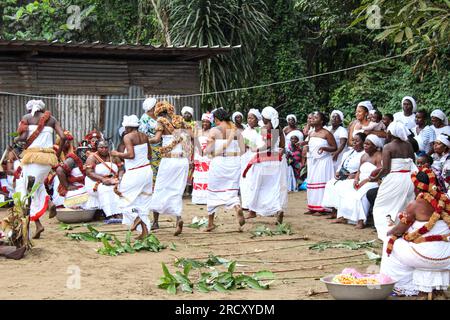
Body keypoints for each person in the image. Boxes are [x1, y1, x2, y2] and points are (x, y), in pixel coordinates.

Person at [380, 167, 450, 297]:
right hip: (447, 257)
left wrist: (389, 229)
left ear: (416, 186)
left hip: (425, 257)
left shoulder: (415, 204)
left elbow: (400, 230)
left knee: (389, 242)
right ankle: (432, 287)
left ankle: (403, 285)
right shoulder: (446, 200)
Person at [15, 99, 65, 239]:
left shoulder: (26, 118)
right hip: (48, 159)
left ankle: (43, 213)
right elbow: (63, 137)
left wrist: (15, 140)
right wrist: (57, 153)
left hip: (32, 158)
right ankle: (40, 221)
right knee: (36, 187)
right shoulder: (53, 119)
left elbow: (23, 137)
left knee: (26, 190)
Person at [149, 102, 191, 236]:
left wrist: (144, 139)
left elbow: (156, 139)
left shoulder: (161, 122)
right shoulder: (180, 120)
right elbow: (192, 136)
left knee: (160, 188)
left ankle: (155, 222)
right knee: (176, 190)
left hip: (169, 160)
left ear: (158, 112)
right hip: (182, 160)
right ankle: (178, 218)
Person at [371, 121, 417, 241]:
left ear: (391, 132)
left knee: (381, 206)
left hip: (394, 179)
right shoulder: (408, 145)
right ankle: (402, 230)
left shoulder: (388, 147)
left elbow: (386, 169)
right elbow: (413, 162)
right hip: (408, 179)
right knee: (404, 206)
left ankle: (388, 230)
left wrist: (375, 178)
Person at [111, 115, 153, 239]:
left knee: (122, 199)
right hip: (147, 171)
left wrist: (116, 153)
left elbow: (130, 155)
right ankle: (144, 231)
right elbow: (149, 155)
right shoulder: (144, 136)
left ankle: (136, 218)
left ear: (128, 127)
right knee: (143, 201)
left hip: (135, 173)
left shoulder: (128, 137)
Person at [205, 108, 245, 232]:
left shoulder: (214, 130)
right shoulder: (236, 130)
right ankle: (237, 207)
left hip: (219, 163)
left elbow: (208, 151)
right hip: (234, 163)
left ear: (216, 119)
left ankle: (210, 223)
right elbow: (243, 150)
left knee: (213, 191)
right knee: (231, 191)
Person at [245, 106, 287, 223]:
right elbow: (282, 146)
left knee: (256, 185)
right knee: (272, 187)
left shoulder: (264, 129)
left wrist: (254, 147)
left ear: (264, 118)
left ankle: (252, 211)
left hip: (262, 161)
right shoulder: (278, 129)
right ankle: (277, 209)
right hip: (274, 162)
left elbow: (267, 144)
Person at [332, 134, 383, 229]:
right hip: (360, 181)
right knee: (346, 191)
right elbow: (359, 170)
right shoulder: (364, 156)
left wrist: (367, 180)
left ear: (375, 146)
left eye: (368, 144)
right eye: (365, 144)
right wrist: (356, 179)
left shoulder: (379, 156)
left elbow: (380, 171)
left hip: (372, 182)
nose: (365, 146)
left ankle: (361, 221)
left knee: (361, 196)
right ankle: (344, 216)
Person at [322, 132, 367, 220]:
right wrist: (338, 172)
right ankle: (334, 210)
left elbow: (364, 169)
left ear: (363, 142)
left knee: (343, 187)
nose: (354, 143)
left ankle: (343, 214)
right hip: (344, 176)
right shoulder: (348, 152)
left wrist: (354, 176)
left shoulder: (365, 154)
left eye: (357, 141)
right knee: (330, 184)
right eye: (353, 140)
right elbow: (341, 165)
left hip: (355, 177)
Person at [305, 111, 337, 215]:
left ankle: (322, 208)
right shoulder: (311, 133)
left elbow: (334, 147)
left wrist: (324, 148)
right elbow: (310, 145)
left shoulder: (326, 133)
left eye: (316, 117)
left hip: (324, 161)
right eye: (312, 117)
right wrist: (304, 145)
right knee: (312, 182)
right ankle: (313, 206)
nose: (313, 118)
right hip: (313, 161)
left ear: (322, 121)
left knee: (321, 182)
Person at [84, 140, 124, 220]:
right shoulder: (92, 157)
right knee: (105, 189)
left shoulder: (113, 156)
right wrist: (103, 179)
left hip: (113, 180)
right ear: (96, 148)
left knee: (121, 188)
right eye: (101, 148)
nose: (104, 149)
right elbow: (89, 173)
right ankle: (109, 214)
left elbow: (121, 169)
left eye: (106, 147)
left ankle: (119, 212)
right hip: (95, 182)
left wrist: (119, 178)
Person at [240, 109, 264, 211]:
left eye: (252, 118)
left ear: (257, 119)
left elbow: (263, 145)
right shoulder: (245, 131)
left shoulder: (261, 130)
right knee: (245, 180)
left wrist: (249, 145)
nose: (249, 120)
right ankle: (246, 203)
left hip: (256, 156)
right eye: (248, 118)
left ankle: (254, 204)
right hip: (245, 157)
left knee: (254, 180)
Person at [191, 113, 213, 205]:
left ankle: (207, 198)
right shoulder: (198, 132)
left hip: (208, 158)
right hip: (199, 157)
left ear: (211, 123)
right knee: (199, 177)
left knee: (207, 177)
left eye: (207, 122)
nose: (204, 124)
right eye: (203, 121)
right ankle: (198, 199)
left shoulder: (213, 132)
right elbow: (194, 144)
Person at [138, 97, 161, 185]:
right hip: (151, 147)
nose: (158, 106)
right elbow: (142, 136)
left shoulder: (158, 116)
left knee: (160, 167)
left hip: (161, 146)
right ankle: (152, 187)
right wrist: (154, 139)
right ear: (152, 107)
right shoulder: (144, 118)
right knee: (153, 167)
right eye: (156, 105)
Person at [181, 106, 195, 196]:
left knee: (190, 167)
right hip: (180, 148)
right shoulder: (178, 123)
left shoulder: (194, 124)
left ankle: (188, 189)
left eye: (189, 113)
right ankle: (182, 189)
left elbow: (195, 137)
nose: (187, 115)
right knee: (182, 167)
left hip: (190, 148)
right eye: (185, 113)